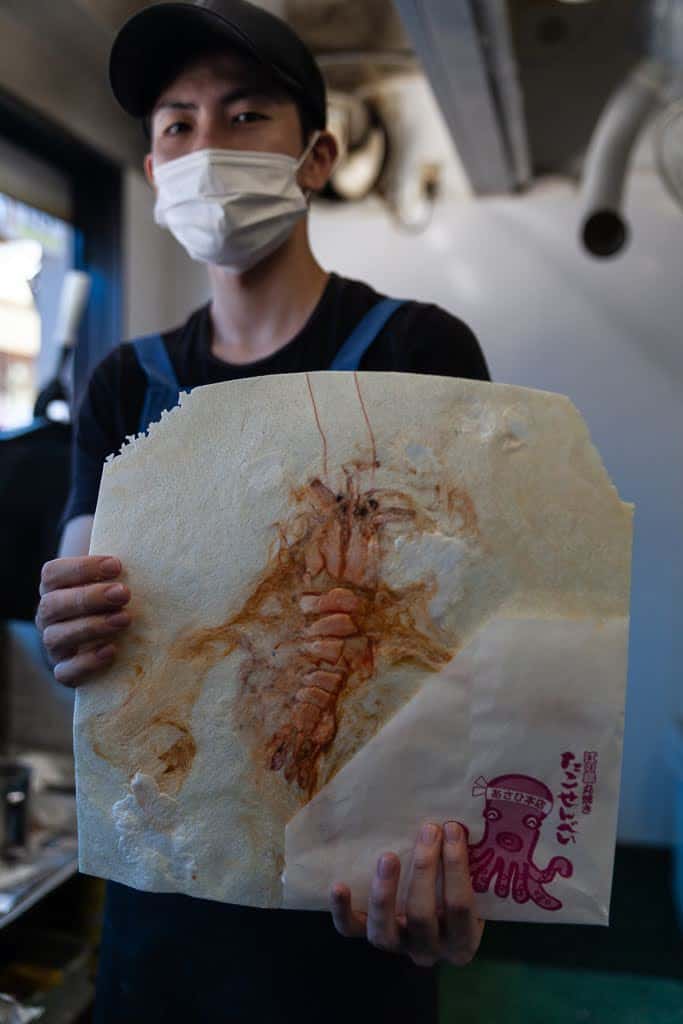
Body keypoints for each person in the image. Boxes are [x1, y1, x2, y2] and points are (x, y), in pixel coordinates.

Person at [35, 2, 489, 1021]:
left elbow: (468, 645)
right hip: (166, 900)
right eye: (177, 124)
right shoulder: (123, 384)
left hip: (354, 903)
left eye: (246, 117)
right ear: (152, 171)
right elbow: (85, 624)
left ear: (316, 156)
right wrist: (67, 626)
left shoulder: (418, 352)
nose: (206, 146)